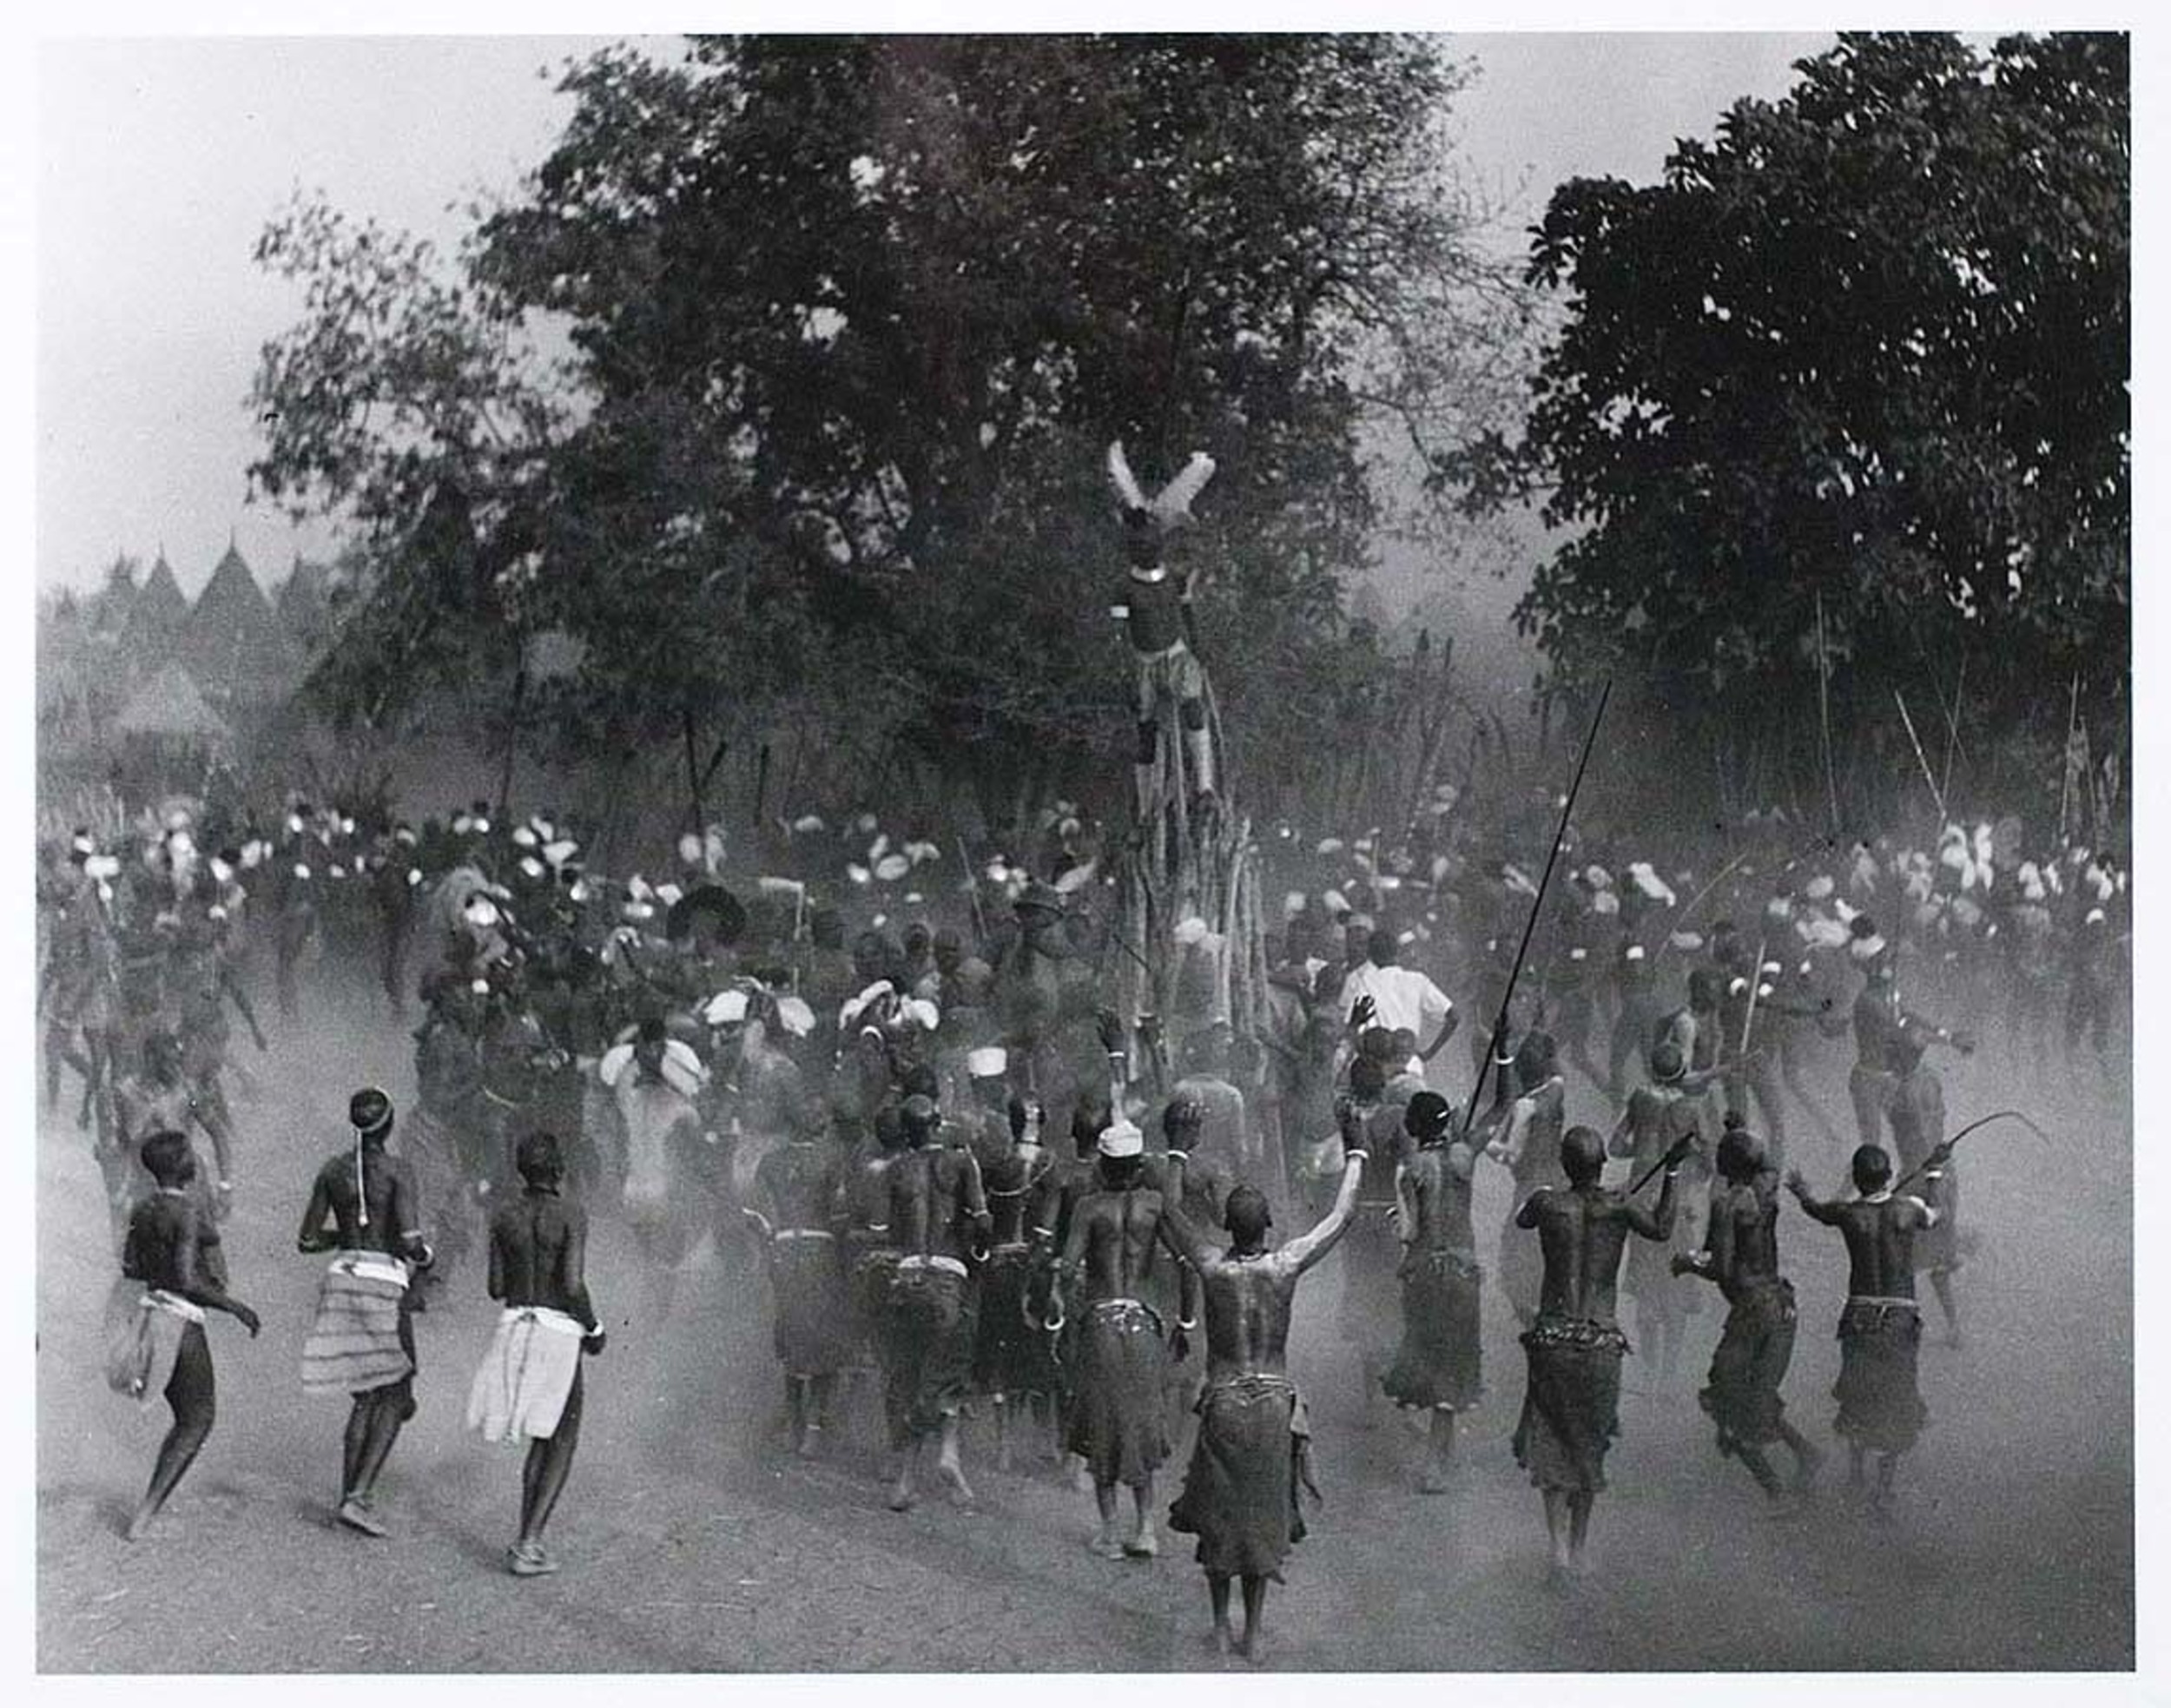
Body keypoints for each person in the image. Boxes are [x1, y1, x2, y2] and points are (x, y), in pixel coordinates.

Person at [1159, 1151, 1366, 1661]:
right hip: (1273, 1402)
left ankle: (1219, 1627)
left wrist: (1178, 1152)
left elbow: (1167, 1208)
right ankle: (1252, 1632)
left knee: (1218, 1516)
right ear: (1268, 1225)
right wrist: (1355, 1152)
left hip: (1225, 1401)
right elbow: (1341, 1217)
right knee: (1261, 1517)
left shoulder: (1211, 1265)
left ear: (1228, 1227)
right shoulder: (1285, 1264)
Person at [1511, 1121, 1692, 1581]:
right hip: (1600, 1342)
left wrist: (1550, 1186)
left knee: (1551, 1441)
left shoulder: (1547, 1202)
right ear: (1602, 1164)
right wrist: (1670, 1174)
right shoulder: (1620, 1205)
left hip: (1552, 1339)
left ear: (1565, 1164)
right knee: (1587, 1444)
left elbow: (1522, 1219)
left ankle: (1557, 1550)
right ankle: (1579, 1547)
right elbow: (1663, 1227)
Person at [107, 1130, 262, 1541]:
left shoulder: (143, 1209)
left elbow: (131, 1267)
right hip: (179, 1322)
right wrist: (235, 1307)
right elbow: (187, 1279)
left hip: (150, 1314)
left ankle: (148, 1507)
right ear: (186, 1166)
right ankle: (146, 1512)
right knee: (197, 1419)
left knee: (186, 1418)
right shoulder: (188, 1211)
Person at [1053, 1114, 1196, 1560]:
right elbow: (1189, 1262)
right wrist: (1186, 1323)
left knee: (1102, 1424)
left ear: (1102, 1163)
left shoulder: (1089, 1208)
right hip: (1143, 1323)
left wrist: (1060, 1316)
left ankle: (1111, 1533)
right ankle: (1147, 1529)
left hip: (1100, 1323)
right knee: (1141, 1425)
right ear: (1137, 1166)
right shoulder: (1155, 1205)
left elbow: (1067, 1269)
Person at [1785, 1140, 1953, 1516]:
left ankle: (1856, 1473)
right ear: (1890, 1175)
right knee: (1898, 1397)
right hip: (1899, 1316)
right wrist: (1934, 1174)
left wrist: (1800, 1190)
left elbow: (1816, 1210)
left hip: (1860, 1316)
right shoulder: (1908, 1211)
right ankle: (1884, 1486)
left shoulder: (1847, 1213)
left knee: (1857, 1393)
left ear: (1857, 1179)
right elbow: (1937, 1214)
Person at [466, 1130, 606, 1575]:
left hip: (513, 1327)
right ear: (560, 1170)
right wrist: (595, 1327)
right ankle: (529, 1543)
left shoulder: (503, 1216)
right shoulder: (570, 1213)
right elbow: (571, 1285)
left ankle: (527, 1537)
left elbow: (495, 1288)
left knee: (538, 1441)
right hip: (557, 1332)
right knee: (561, 1438)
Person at [297, 1088, 433, 1537]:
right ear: (389, 1125)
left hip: (341, 1279)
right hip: (383, 1283)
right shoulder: (398, 1171)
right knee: (396, 1391)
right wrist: (427, 1258)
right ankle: (358, 1497)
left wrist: (351, 1241)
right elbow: (411, 1243)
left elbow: (308, 1240)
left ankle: (349, 1496)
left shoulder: (332, 1171)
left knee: (364, 1393)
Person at [1673, 1113, 1822, 1500]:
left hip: (1752, 1310)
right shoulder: (1768, 1192)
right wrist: (1738, 1131)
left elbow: (1721, 1269)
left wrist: (1688, 1262)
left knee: (1728, 1396)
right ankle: (1806, 1455)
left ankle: (1775, 1490)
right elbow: (1768, 1164)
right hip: (1780, 1302)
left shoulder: (1727, 1205)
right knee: (1757, 1392)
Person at [881, 1095, 990, 1510]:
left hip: (908, 1278)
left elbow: (891, 1230)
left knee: (912, 1377)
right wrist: (978, 1252)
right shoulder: (962, 1162)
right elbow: (982, 1222)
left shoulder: (897, 1169)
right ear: (938, 1123)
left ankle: (908, 1481)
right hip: (949, 1277)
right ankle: (947, 1453)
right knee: (951, 1370)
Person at [1382, 1091, 1485, 1491]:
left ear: (1413, 1127)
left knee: (1434, 1362)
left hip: (1426, 1274)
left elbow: (1409, 1232)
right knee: (1455, 1362)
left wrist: (1396, 1217)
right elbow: (1483, 1126)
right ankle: (1443, 1452)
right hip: (1463, 1272)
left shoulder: (1411, 1169)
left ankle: (1434, 1462)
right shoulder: (1464, 1159)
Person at [747, 1095, 853, 1457]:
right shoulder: (833, 1160)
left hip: (785, 1252)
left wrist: (771, 1251)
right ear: (818, 1124)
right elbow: (840, 1216)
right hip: (820, 1253)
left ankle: (794, 1424)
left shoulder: (771, 1162)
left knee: (792, 1334)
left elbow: (756, 1217)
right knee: (822, 1339)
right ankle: (813, 1428)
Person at [1487, 1029, 1567, 1329]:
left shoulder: (1524, 1107)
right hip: (1560, 1182)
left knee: (1516, 1267)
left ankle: (1536, 1328)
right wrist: (1543, 1035)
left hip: (1531, 1188)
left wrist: (1488, 1143)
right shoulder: (1557, 1091)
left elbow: (1511, 1154)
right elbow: (1558, 1071)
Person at [1336, 930, 1458, 1086]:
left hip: (1375, 1068)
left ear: (1371, 955)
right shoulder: (1417, 981)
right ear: (1397, 953)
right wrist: (1429, 1053)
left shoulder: (1364, 983)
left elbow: (1351, 1031)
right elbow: (1454, 1016)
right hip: (1409, 1063)